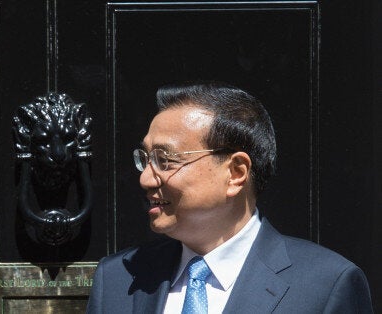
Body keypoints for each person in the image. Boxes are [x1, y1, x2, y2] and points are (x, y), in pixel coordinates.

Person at [86, 82, 373, 313]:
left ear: (236, 172)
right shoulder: (117, 278)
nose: (146, 179)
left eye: (165, 160)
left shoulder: (325, 285)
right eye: (146, 159)